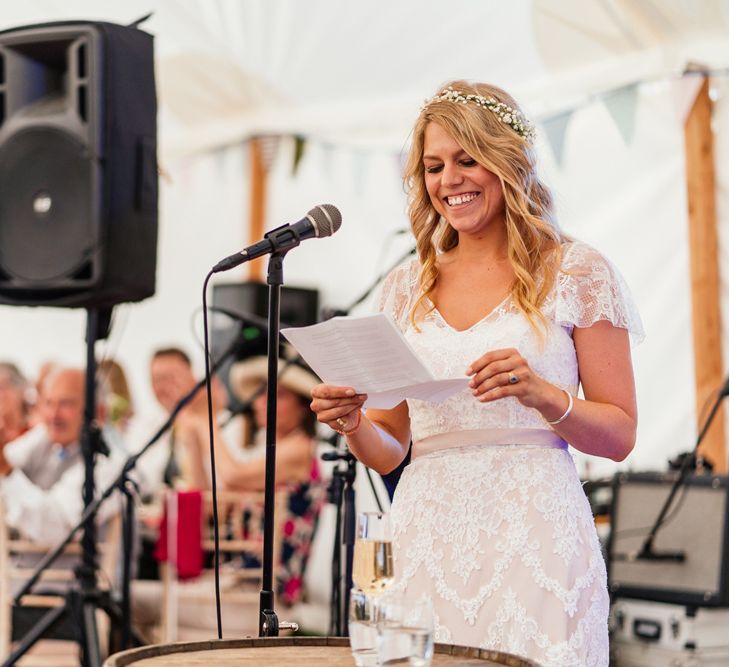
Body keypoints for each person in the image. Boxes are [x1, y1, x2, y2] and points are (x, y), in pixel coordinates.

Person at [310, 80, 643, 666]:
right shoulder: (404, 288)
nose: (449, 180)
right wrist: (356, 422)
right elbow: (391, 450)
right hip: (422, 533)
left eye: (467, 160)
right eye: (434, 166)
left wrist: (545, 396)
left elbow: (619, 435)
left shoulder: (576, 271)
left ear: (509, 162)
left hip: (535, 534)